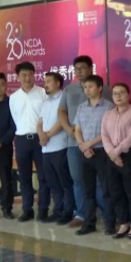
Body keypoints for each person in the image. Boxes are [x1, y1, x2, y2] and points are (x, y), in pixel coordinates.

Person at [58, 55, 112, 228]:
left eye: (82, 68)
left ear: (90, 68)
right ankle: (82, 215)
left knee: (100, 182)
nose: (79, 71)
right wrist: (69, 130)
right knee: (78, 180)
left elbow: (112, 117)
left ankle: (106, 214)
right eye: (76, 69)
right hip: (75, 144)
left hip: (99, 145)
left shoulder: (105, 90)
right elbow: (61, 111)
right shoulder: (69, 89)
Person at [74, 75, 115, 236]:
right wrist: (83, 146)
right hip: (85, 152)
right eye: (85, 87)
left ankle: (110, 223)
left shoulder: (109, 107)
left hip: (103, 151)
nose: (87, 90)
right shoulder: (81, 107)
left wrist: (89, 144)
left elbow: (108, 132)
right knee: (88, 190)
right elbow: (77, 130)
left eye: (90, 86)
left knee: (107, 188)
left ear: (100, 88)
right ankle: (89, 223)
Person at [9, 62, 50, 222]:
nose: (27, 78)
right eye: (24, 75)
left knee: (43, 176)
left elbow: (48, 115)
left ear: (35, 75)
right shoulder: (14, 97)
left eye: (30, 74)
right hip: (21, 140)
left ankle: (43, 209)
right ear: (18, 77)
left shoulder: (43, 93)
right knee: (24, 177)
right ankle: (27, 210)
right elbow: (15, 118)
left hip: (40, 139)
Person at [101, 83, 131, 239]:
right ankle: (123, 222)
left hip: (129, 156)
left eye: (122, 93)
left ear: (128, 95)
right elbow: (104, 135)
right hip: (111, 157)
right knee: (116, 192)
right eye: (115, 93)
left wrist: (116, 152)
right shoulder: (107, 114)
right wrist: (111, 154)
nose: (118, 96)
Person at [37, 72, 75, 225]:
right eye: (45, 81)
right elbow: (39, 122)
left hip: (60, 147)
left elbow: (62, 122)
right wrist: (41, 135)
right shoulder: (45, 102)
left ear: (58, 83)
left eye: (48, 81)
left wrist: (47, 135)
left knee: (65, 182)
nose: (45, 84)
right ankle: (57, 211)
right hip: (46, 149)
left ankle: (68, 212)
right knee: (52, 183)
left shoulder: (63, 99)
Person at [0, 72, 16, 220]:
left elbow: (14, 126)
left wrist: (1, 141)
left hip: (4, 146)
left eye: (1, 84)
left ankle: (7, 209)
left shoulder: (11, 103)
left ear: (6, 85)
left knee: (6, 179)